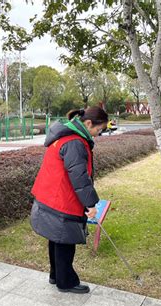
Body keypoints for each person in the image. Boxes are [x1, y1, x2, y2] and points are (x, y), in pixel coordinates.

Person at [30, 106, 108, 293]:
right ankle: (66, 282)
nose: (98, 134)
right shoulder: (75, 142)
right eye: (99, 130)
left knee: (56, 238)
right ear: (88, 123)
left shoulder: (65, 135)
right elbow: (80, 177)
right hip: (61, 199)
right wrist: (90, 204)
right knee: (65, 241)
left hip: (49, 195)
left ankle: (55, 275)